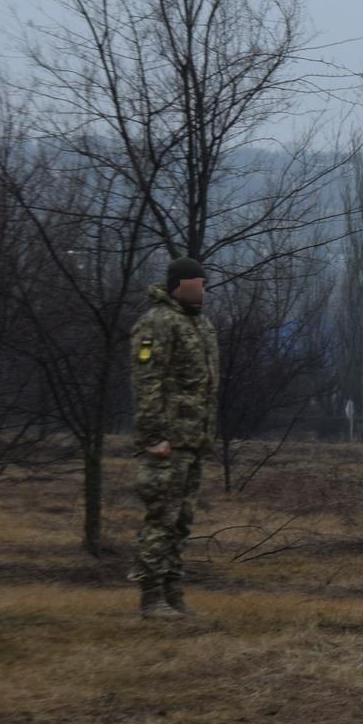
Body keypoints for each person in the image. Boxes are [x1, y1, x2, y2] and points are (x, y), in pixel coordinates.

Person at [129, 256, 219, 620]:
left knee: (181, 519)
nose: (205, 289)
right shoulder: (157, 323)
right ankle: (150, 596)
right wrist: (154, 436)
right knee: (161, 517)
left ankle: (172, 589)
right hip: (167, 442)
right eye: (200, 283)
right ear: (181, 284)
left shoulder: (201, 326)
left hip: (193, 439)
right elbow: (147, 382)